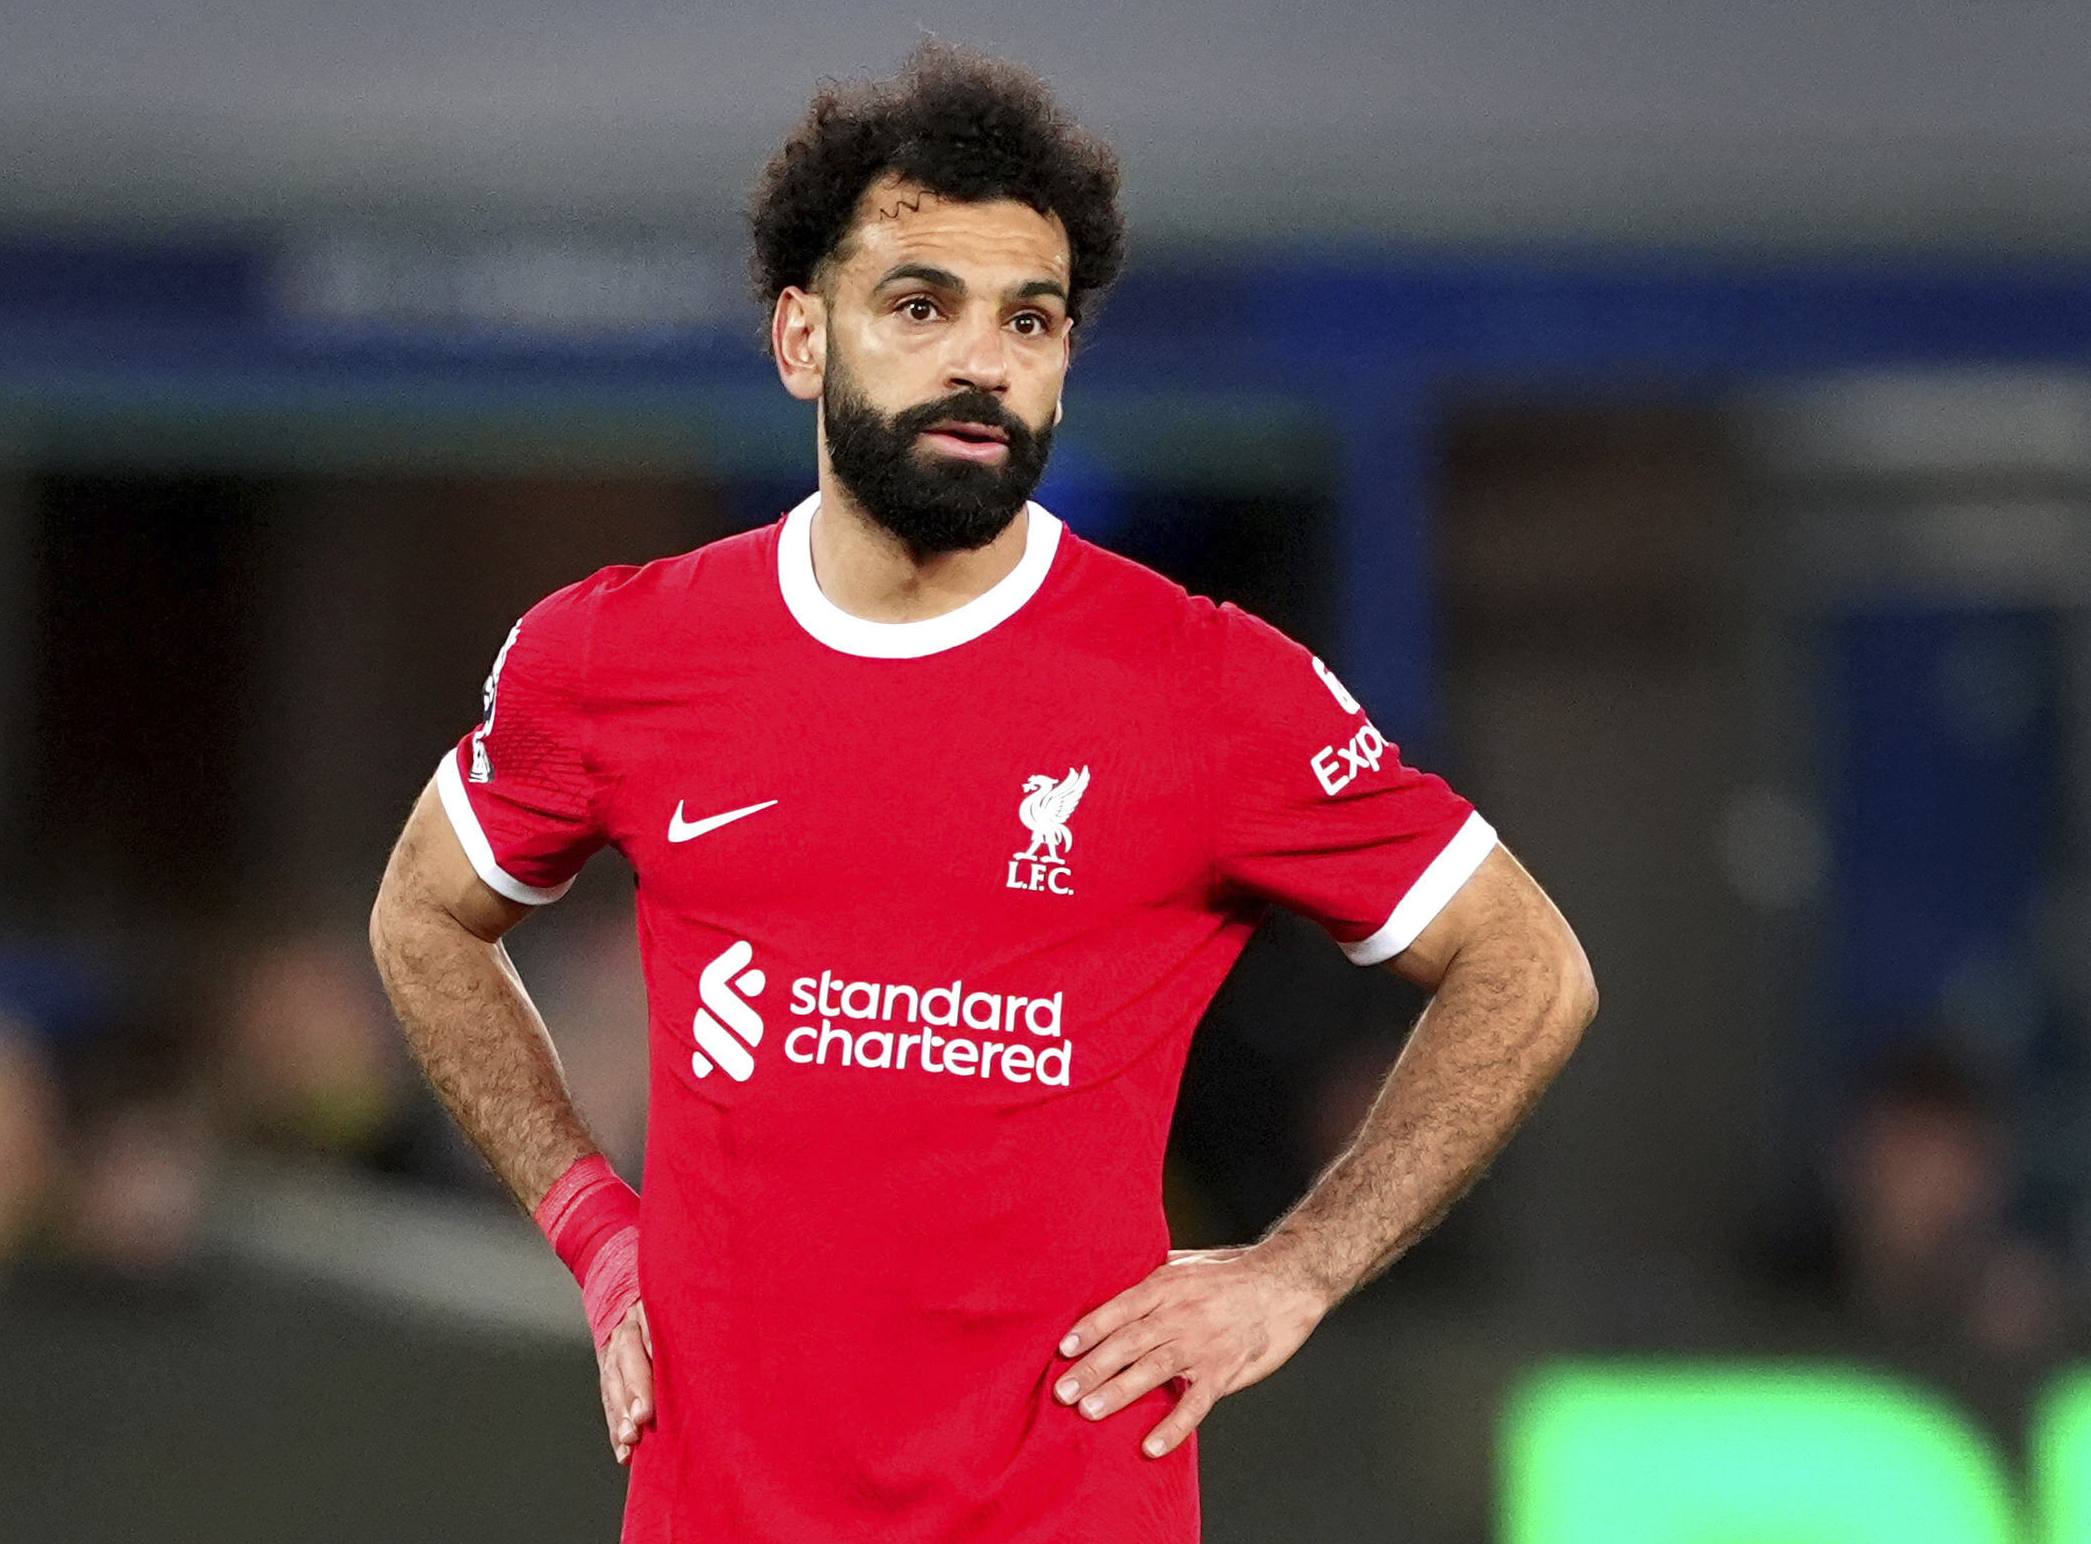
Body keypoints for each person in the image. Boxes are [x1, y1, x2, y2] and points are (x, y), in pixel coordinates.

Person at [368, 40, 1595, 1544]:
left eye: (1030, 319)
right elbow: (426, 920)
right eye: (919, 304)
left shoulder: (1204, 687)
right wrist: (593, 1230)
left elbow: (1526, 966)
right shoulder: (615, 656)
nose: (982, 361)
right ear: (799, 339)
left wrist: (1298, 1267)